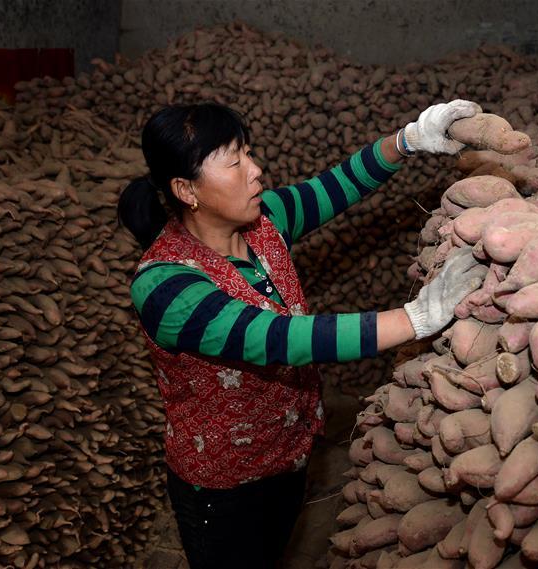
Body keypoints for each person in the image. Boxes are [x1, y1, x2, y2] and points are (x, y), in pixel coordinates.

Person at [117, 100, 486, 569]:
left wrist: (408, 140)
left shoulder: (263, 221)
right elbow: (278, 338)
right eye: (234, 161)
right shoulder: (164, 286)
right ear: (186, 189)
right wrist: (417, 317)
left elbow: (336, 186)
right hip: (223, 487)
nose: (255, 170)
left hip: (290, 454)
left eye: (249, 152)